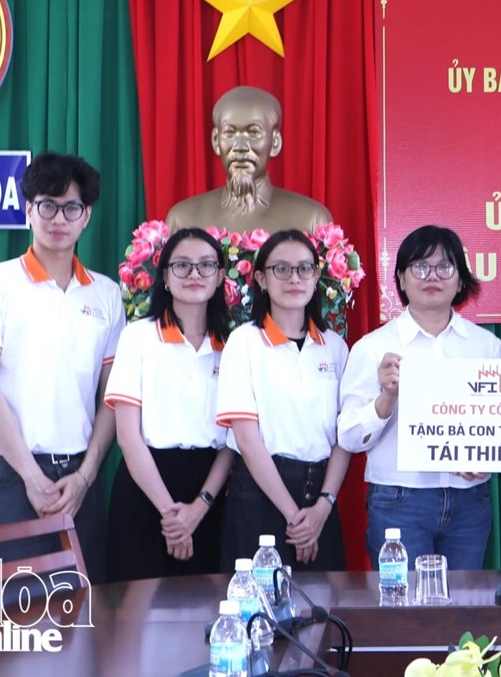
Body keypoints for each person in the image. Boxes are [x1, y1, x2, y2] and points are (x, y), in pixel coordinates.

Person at [0, 151, 122, 583]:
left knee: (84, 613)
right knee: (9, 615)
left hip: (79, 481)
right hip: (10, 476)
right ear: (28, 210)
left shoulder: (106, 295)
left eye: (71, 208)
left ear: (86, 216)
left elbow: (112, 398)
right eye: (47, 205)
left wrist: (85, 477)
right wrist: (31, 477)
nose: (58, 219)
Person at [338, 225, 501, 572]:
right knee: (404, 603)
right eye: (420, 266)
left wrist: (488, 459)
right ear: (401, 279)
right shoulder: (372, 348)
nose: (432, 276)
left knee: (463, 602)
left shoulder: (487, 347)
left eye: (444, 266)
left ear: (460, 280)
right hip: (399, 500)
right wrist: (386, 398)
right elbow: (349, 438)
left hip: (469, 499)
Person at [103, 227, 235, 581]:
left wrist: (199, 508)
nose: (194, 274)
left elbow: (233, 442)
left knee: (209, 604)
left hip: (209, 495)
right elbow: (128, 437)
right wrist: (172, 516)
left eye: (206, 265)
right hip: (145, 488)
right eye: (182, 265)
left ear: (220, 276)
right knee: (139, 608)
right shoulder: (138, 337)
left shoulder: (233, 345)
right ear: (164, 276)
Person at [216, 229, 349, 569]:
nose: (294, 278)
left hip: (320, 498)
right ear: (261, 278)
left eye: (304, 268)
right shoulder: (244, 342)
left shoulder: (334, 347)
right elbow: (247, 440)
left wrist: (322, 508)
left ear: (316, 277)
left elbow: (345, 436)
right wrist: (294, 518)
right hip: (260, 495)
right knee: (260, 600)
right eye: (281, 269)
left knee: (325, 599)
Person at [166, 86, 333, 233]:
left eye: (253, 133)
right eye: (230, 133)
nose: (240, 146)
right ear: (216, 141)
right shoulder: (182, 220)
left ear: (275, 142)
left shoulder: (312, 220)